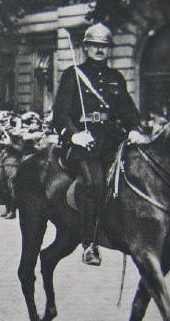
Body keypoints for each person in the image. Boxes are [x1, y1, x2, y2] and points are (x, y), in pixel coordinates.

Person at [52, 23, 148, 266]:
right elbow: (60, 114)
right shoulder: (72, 74)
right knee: (93, 185)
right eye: (94, 45)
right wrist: (73, 134)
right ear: (86, 47)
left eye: (104, 46)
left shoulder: (116, 78)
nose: (99, 50)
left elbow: (128, 111)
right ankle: (90, 244)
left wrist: (136, 128)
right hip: (86, 143)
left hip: (113, 141)